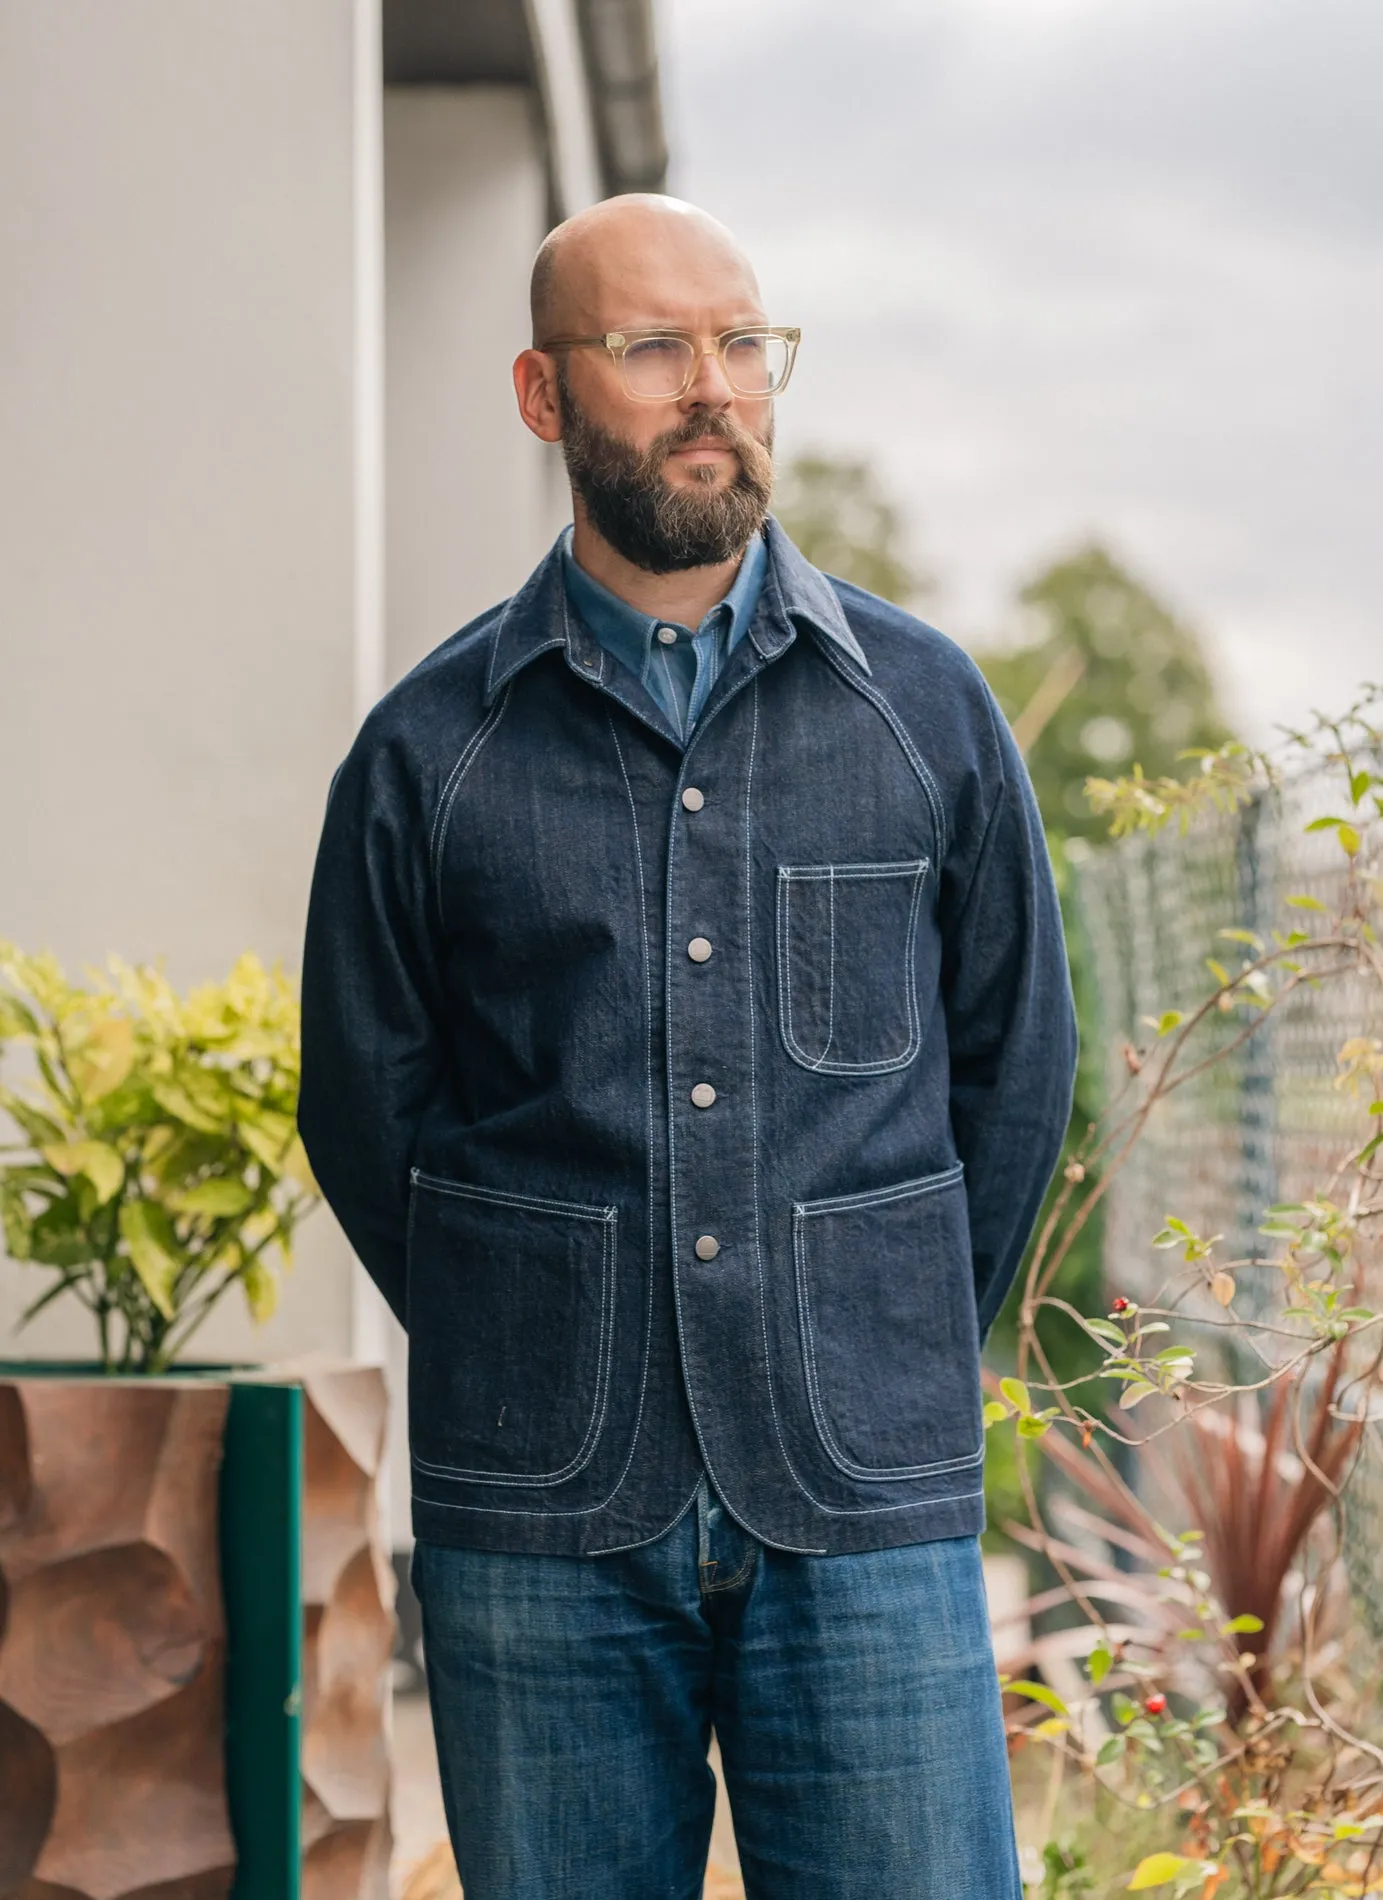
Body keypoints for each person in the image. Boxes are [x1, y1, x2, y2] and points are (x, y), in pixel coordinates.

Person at [299, 193, 1077, 1900]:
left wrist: (887, 1330)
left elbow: (1014, 1064)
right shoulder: (431, 750)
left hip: (867, 1496)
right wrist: (537, 1326)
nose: (710, 387)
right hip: (543, 1521)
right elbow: (366, 1106)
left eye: (741, 344)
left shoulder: (923, 708)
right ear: (541, 393)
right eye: (652, 348)